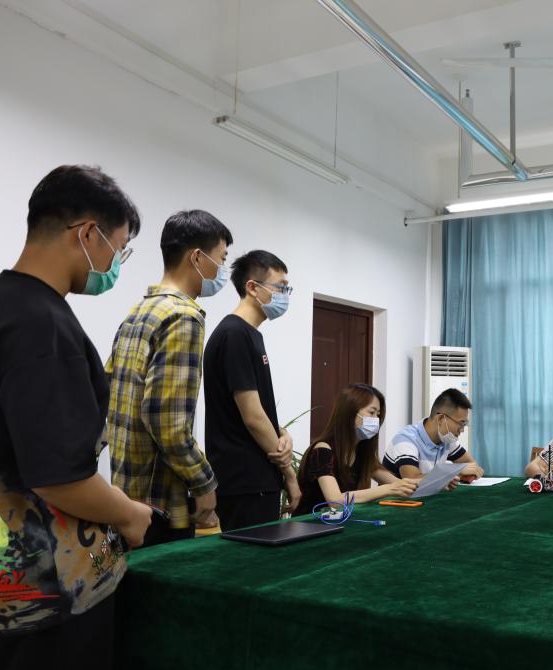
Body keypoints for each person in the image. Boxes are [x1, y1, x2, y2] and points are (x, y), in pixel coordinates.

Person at [0, 165, 153, 670]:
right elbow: (60, 477)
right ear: (87, 234)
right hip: (40, 598)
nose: (115, 265)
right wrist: (128, 513)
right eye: (119, 248)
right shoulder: (43, 324)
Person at [105, 209, 233, 545]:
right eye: (221, 258)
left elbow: (105, 392)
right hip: (160, 504)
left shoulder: (139, 310)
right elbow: (167, 422)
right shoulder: (184, 316)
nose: (222, 270)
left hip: (125, 495)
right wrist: (204, 482)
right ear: (197, 258)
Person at [203, 250, 300, 531]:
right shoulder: (235, 334)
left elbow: (257, 410)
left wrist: (282, 433)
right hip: (245, 480)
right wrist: (289, 474)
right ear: (253, 288)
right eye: (280, 287)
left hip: (255, 479)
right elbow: (253, 417)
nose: (285, 295)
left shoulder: (250, 334)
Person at [294, 384, 417, 515]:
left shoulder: (361, 453)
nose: (376, 420)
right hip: (310, 522)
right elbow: (335, 500)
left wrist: (425, 481)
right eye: (371, 412)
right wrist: (388, 489)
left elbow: (400, 484)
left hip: (340, 521)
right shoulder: (322, 450)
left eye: (378, 415)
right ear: (350, 412)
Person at [382, 388, 484, 483]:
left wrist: (463, 473)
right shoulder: (406, 440)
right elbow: (412, 481)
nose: (462, 430)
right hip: (395, 496)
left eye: (465, 424)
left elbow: (472, 466)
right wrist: (454, 472)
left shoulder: (446, 440)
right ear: (440, 419)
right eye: (460, 423)